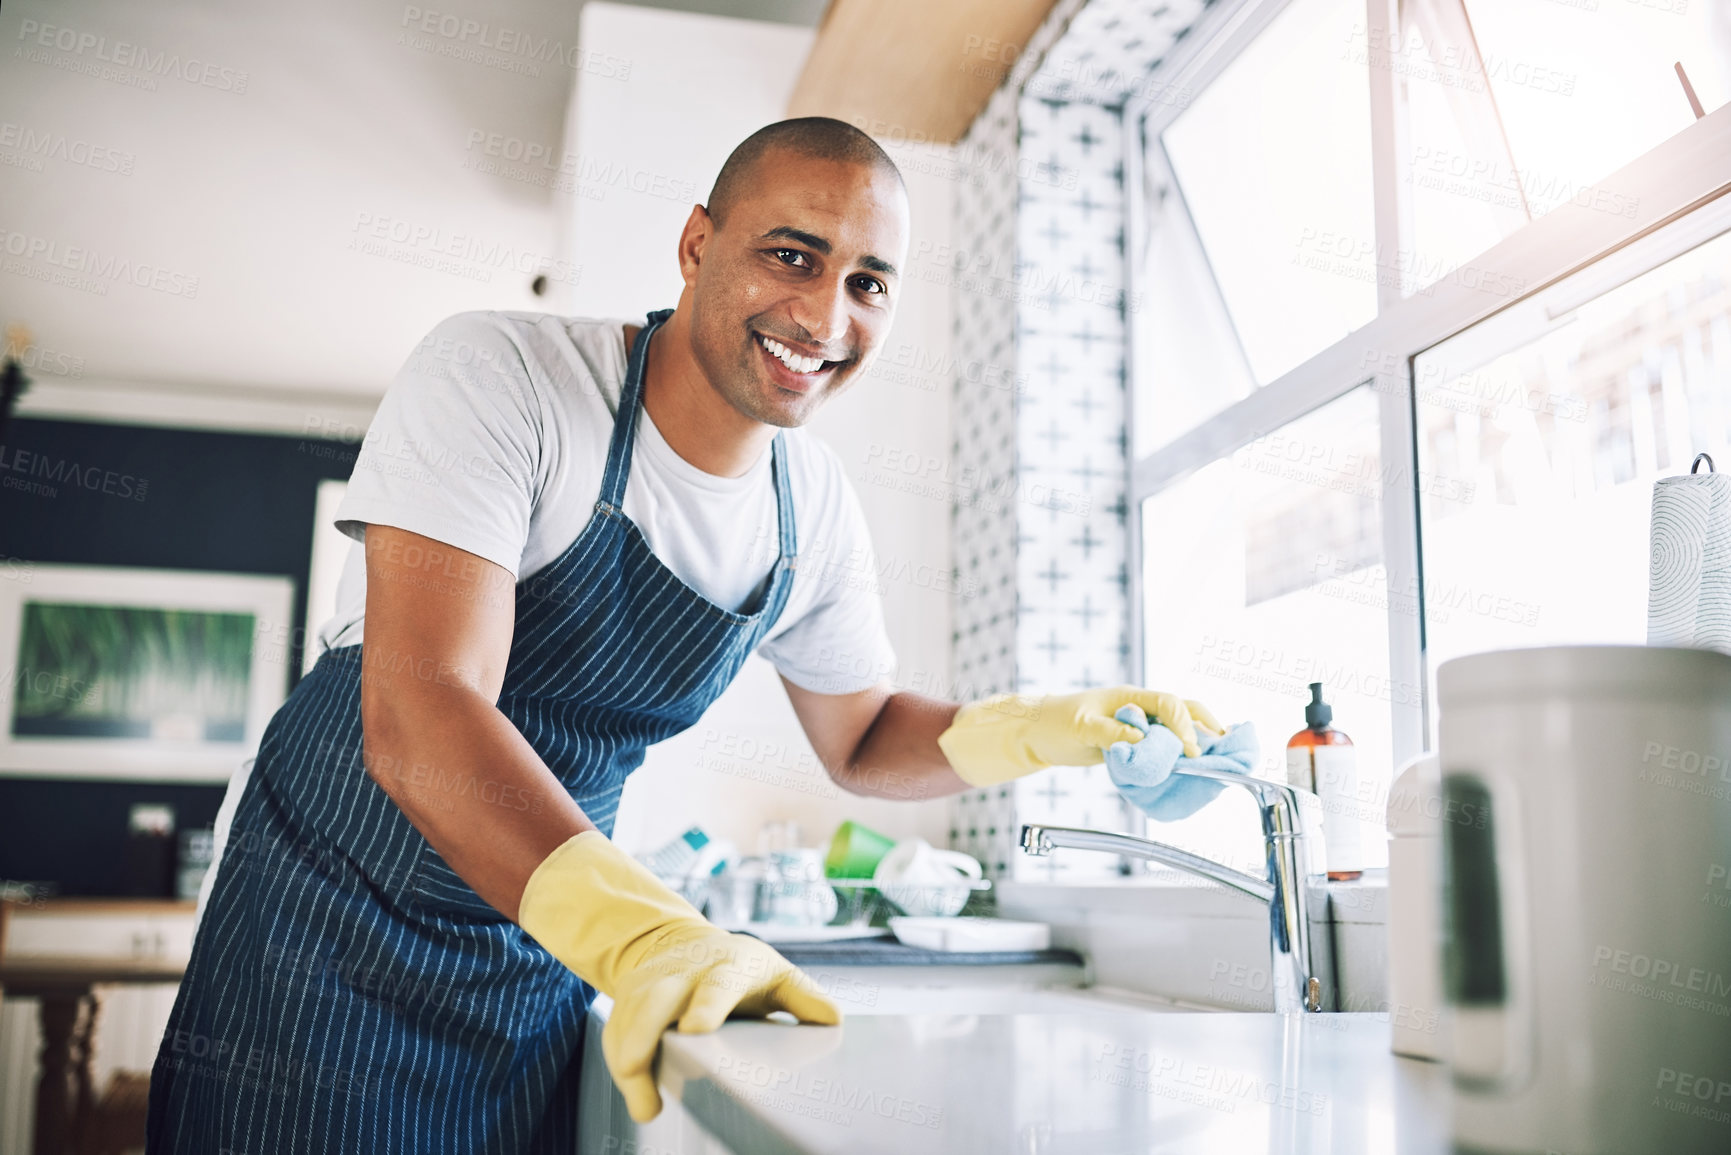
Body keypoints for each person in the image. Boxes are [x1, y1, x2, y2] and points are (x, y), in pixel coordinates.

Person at [146, 117, 1219, 1153]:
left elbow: (864, 736)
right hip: (327, 940)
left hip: (539, 954)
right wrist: (644, 932)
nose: (825, 315)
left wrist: (1051, 731)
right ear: (697, 245)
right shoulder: (503, 379)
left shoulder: (813, 507)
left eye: (867, 282)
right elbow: (423, 709)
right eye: (791, 255)